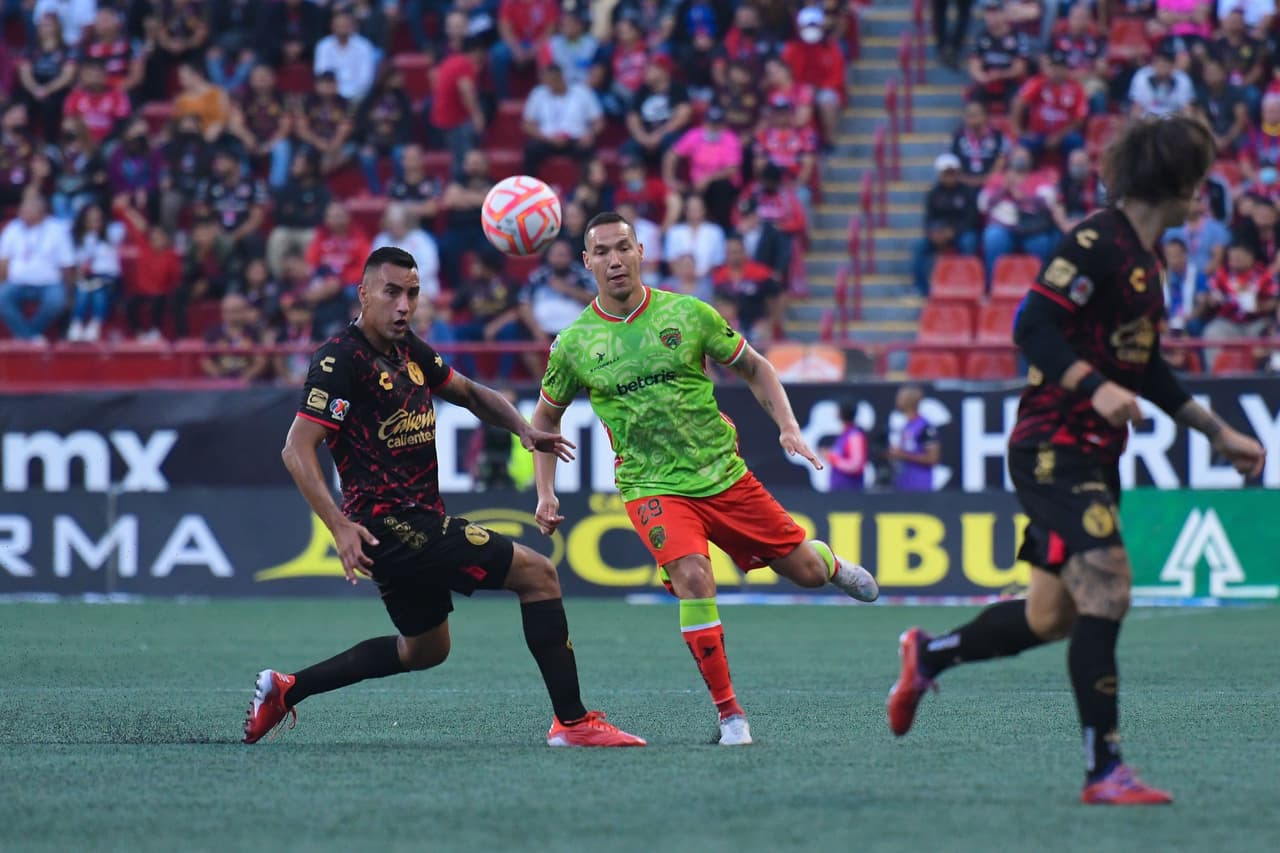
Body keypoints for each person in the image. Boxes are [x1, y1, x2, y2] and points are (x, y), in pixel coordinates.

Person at [887, 116, 1267, 805]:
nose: (1203, 193)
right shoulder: (1094, 241)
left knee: (1050, 616)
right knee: (1110, 588)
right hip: (1052, 446)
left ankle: (930, 653)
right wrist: (1096, 386)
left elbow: (1145, 366)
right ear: (1176, 182)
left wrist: (1215, 430)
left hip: (1097, 453)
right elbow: (1030, 325)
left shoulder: (1147, 267)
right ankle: (1105, 770)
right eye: (1199, 180)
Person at [243, 247, 646, 749]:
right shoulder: (339, 360)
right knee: (539, 574)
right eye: (391, 293)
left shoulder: (407, 350)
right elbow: (295, 450)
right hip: (389, 525)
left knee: (426, 650)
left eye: (412, 294)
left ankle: (287, 690)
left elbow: (472, 394)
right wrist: (338, 526)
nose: (403, 306)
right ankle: (573, 721)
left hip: (413, 523)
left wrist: (523, 428)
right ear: (364, 293)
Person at [531, 212, 879, 747]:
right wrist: (547, 492)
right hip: (651, 485)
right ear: (587, 262)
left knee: (806, 573)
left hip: (723, 475)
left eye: (623, 247)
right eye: (602, 251)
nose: (615, 259)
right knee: (694, 577)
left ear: (642, 251)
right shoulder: (575, 344)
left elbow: (757, 367)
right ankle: (730, 716)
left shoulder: (687, 314)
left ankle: (827, 561)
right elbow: (545, 422)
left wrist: (788, 427)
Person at [887, 385, 939, 491]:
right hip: (903, 484)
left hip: (919, 486)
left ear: (910, 400)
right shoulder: (906, 425)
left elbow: (933, 458)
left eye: (900, 397)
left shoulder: (925, 427)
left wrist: (903, 454)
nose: (897, 400)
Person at [825, 399, 868, 491]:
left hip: (850, 492)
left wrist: (833, 459)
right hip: (838, 491)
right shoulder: (844, 434)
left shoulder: (855, 436)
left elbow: (856, 465)